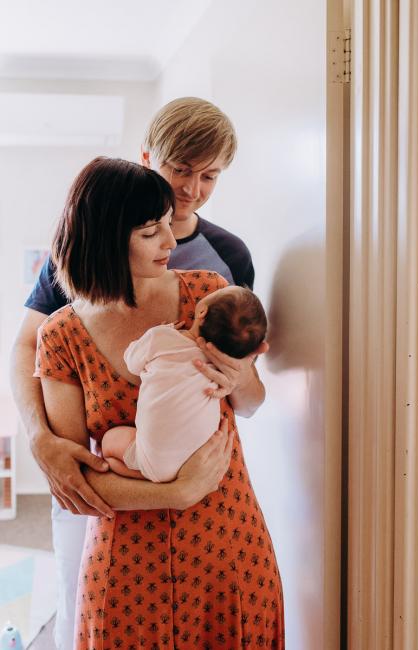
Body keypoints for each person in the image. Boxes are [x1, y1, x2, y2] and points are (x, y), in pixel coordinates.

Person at [10, 97, 256, 650]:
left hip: (214, 497)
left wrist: (236, 379)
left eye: (209, 176)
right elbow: (29, 347)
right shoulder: (77, 282)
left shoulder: (223, 266)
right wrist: (40, 438)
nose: (191, 189)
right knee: (81, 610)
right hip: (113, 500)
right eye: (179, 171)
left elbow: (249, 384)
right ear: (150, 160)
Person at [102, 285, 267, 483]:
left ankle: (145, 476)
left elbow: (132, 362)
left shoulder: (161, 338)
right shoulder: (222, 366)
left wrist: (161, 331)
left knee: (108, 442)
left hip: (154, 461)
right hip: (204, 463)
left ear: (202, 311)